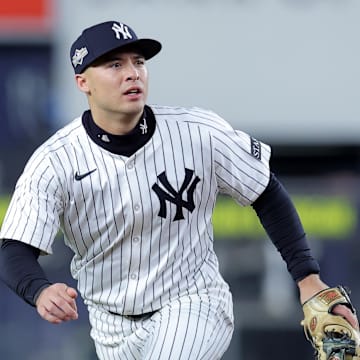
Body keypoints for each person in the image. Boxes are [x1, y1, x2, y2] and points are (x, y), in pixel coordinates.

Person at [0, 20, 357, 360]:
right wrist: (40, 290)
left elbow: (266, 192)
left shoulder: (198, 132)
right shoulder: (54, 161)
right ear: (83, 82)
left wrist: (308, 279)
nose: (132, 72)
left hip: (194, 303)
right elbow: (15, 248)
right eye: (114, 64)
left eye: (139, 61)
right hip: (110, 325)